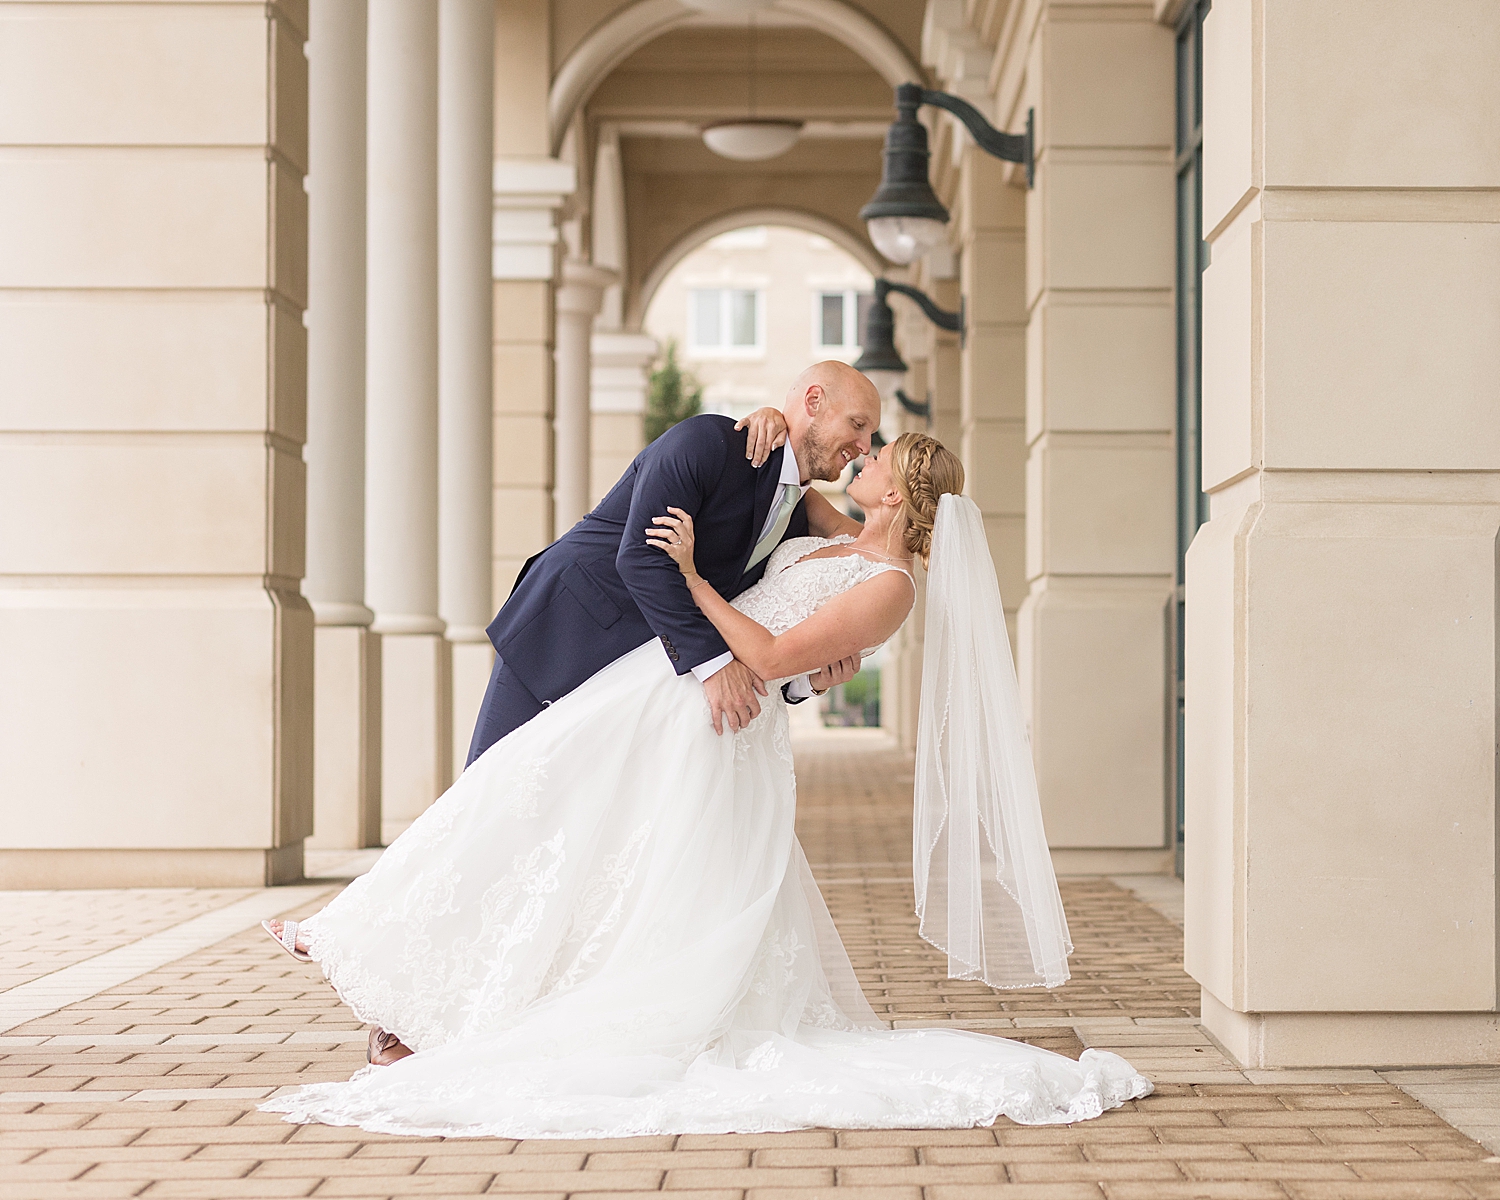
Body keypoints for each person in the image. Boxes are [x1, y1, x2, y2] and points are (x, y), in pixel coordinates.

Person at [259, 431, 1151, 1138]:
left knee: (584, 834)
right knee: (532, 801)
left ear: (897, 491)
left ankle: (392, 962)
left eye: (876, 455)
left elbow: (765, 654)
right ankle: (373, 942)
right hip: (666, 688)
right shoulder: (846, 537)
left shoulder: (891, 587)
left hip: (714, 723)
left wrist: (687, 577)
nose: (861, 455)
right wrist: (767, 423)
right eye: (862, 441)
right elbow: (792, 494)